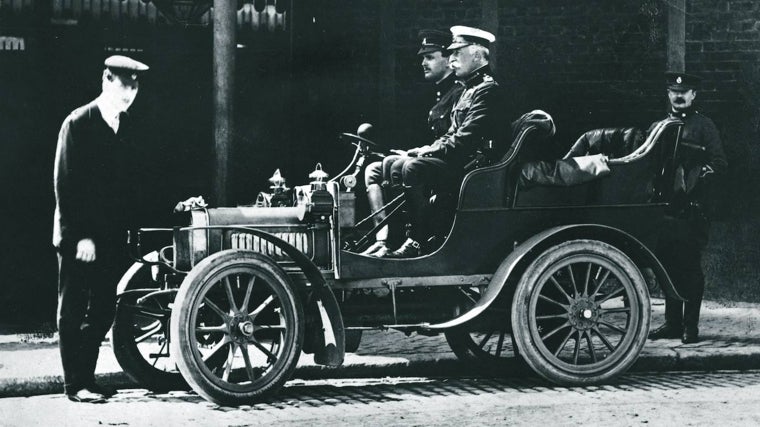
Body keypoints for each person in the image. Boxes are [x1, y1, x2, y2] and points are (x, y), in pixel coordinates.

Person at [53, 55, 149, 402]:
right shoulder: (78, 122)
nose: (130, 92)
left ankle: (87, 378)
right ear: (106, 81)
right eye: (124, 84)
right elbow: (66, 184)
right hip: (80, 238)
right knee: (73, 308)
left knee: (106, 306)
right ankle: (73, 384)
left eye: (135, 86)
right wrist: (81, 236)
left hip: (110, 237)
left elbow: (129, 186)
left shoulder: (126, 125)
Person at [384, 25, 510, 258]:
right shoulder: (468, 89)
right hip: (461, 163)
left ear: (475, 54)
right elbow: (452, 132)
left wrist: (427, 153)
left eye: (456, 53)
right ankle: (400, 238)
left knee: (412, 167)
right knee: (395, 165)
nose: (451, 59)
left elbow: (466, 139)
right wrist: (425, 149)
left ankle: (419, 240)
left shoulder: (487, 90)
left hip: (477, 168)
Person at [361, 29, 465, 257]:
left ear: (448, 59)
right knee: (375, 169)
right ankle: (386, 237)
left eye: (430, 57)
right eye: (422, 58)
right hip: (435, 159)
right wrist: (412, 151)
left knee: (402, 166)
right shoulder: (441, 92)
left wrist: (419, 154)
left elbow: (453, 138)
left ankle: (414, 239)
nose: (423, 63)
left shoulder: (459, 92)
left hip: (449, 166)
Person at [648, 72, 728, 344]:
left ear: (694, 95)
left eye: (685, 91)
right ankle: (672, 323)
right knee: (668, 266)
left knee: (690, 268)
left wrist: (698, 178)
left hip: (693, 209)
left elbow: (720, 163)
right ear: (668, 94)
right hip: (665, 210)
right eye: (673, 91)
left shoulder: (705, 127)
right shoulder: (658, 127)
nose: (679, 95)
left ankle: (689, 327)